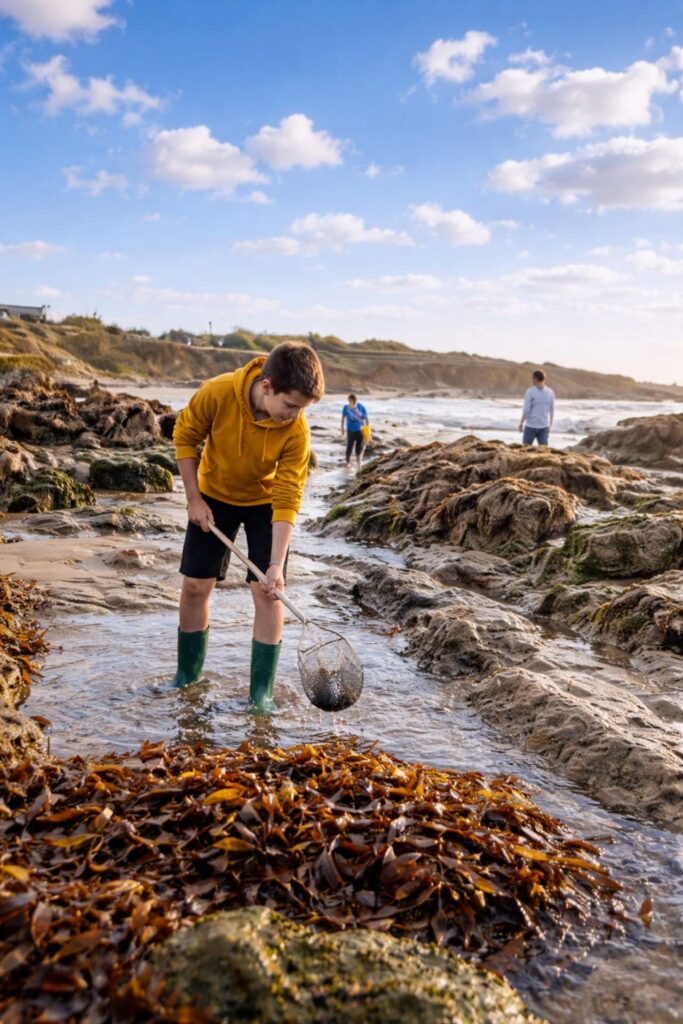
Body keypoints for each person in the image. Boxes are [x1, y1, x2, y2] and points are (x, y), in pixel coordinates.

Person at [171, 340, 325, 711]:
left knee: (267, 593)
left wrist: (275, 564)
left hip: (264, 504)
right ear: (267, 387)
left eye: (301, 409)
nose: (293, 416)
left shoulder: (296, 430)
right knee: (195, 585)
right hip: (213, 495)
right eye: (290, 406)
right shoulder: (218, 392)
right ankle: (187, 676)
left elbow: (289, 495)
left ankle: (261, 694)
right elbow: (185, 437)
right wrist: (194, 499)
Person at [519, 369, 554, 445]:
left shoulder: (530, 391)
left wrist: (521, 423)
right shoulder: (550, 392)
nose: (532, 380)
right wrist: (550, 425)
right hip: (544, 426)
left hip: (531, 426)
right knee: (544, 452)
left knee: (525, 450)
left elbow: (526, 410)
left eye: (532, 378)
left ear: (536, 378)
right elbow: (552, 410)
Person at [341, 393, 369, 468]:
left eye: (351, 401)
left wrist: (367, 431)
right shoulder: (346, 408)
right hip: (350, 431)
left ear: (355, 401)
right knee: (349, 447)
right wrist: (342, 428)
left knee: (358, 448)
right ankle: (348, 463)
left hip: (359, 431)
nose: (349, 402)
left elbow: (366, 418)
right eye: (349, 401)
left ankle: (358, 464)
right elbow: (343, 418)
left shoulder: (361, 407)